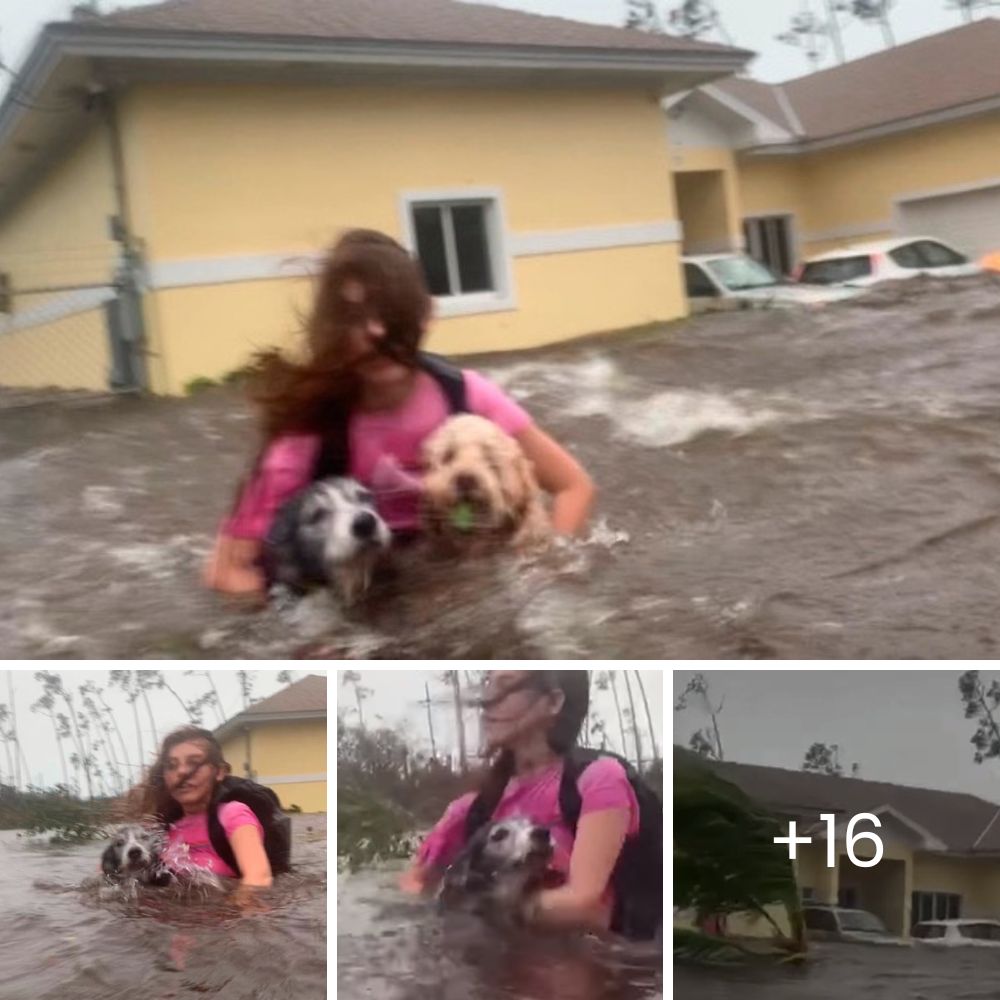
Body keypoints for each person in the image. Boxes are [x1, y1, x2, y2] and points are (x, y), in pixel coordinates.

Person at [203, 229, 595, 597]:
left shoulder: (467, 396)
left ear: (426, 315)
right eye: (353, 317)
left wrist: (542, 576)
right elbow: (228, 573)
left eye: (389, 310)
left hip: (454, 578)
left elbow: (573, 486)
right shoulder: (308, 435)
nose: (374, 330)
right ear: (331, 332)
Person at [399, 670, 640, 933]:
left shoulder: (598, 780)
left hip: (597, 962)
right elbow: (415, 887)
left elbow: (586, 906)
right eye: (488, 685)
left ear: (553, 702)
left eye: (506, 686)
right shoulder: (470, 810)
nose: (487, 702)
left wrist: (482, 908)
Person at [140, 726, 274, 890]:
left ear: (219, 772)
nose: (181, 771)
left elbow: (258, 878)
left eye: (194, 763)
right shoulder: (161, 829)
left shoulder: (233, 815)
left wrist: (238, 911)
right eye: (171, 765)